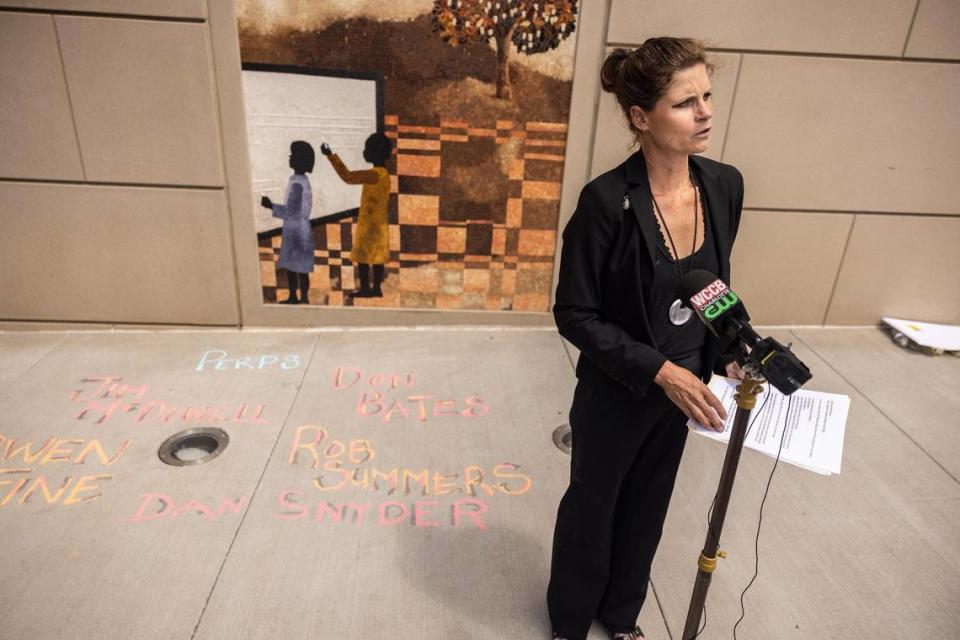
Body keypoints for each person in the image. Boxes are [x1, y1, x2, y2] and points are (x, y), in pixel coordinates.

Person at [547, 37, 746, 640]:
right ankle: (571, 622)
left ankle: (621, 616)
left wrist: (734, 346)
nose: (705, 111)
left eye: (707, 95)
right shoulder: (607, 203)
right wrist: (661, 371)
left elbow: (711, 284)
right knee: (593, 510)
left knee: (648, 509)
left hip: (688, 388)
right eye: (686, 102)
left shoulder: (723, 186)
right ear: (641, 117)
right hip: (620, 387)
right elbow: (575, 314)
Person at [320, 133, 393, 299]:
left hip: (369, 225)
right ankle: (376, 289)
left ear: (374, 152)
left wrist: (331, 156)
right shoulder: (384, 174)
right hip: (379, 224)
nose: (363, 152)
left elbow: (348, 177)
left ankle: (367, 289)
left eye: (366, 149)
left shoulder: (374, 174)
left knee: (363, 258)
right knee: (377, 258)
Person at [261, 140, 315, 304]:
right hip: (302, 229)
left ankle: (295, 297)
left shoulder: (297, 183)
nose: (289, 158)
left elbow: (291, 211)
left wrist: (271, 206)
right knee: (301, 268)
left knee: (293, 267)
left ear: (299, 160)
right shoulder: (301, 180)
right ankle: (303, 297)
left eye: (292, 155)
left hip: (295, 231)